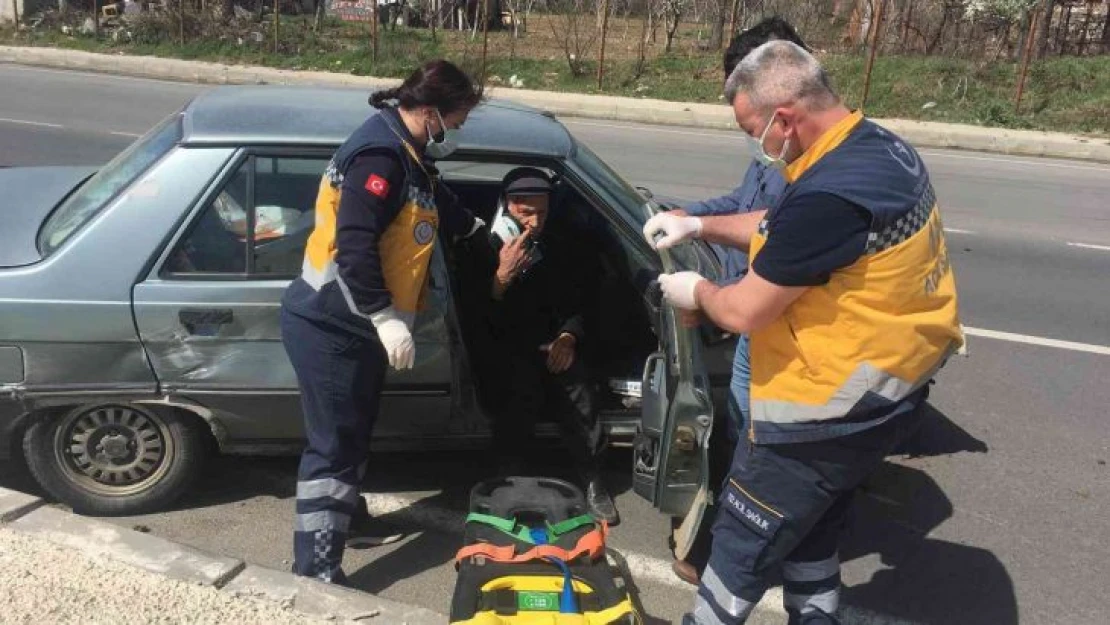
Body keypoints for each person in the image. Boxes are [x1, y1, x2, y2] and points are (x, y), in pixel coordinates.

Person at [643, 41, 963, 624]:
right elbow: (780, 228)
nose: (755, 144)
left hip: (818, 418)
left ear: (784, 118)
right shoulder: (877, 150)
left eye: (752, 129)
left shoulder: (829, 194)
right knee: (812, 538)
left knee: (739, 553)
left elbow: (744, 310)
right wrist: (698, 223)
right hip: (882, 402)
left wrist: (696, 293)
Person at [280, 60, 486, 584]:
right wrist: (384, 318)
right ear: (433, 112)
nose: (459, 129)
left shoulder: (408, 150)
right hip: (334, 325)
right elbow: (353, 246)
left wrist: (483, 230)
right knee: (332, 450)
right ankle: (317, 571)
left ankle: (347, 523)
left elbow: (434, 199)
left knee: (352, 434)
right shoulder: (382, 156)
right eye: (458, 118)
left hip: (355, 327)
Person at [671, 16, 810, 586]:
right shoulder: (772, 150)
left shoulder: (809, 164)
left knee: (756, 445)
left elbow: (772, 230)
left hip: (764, 318)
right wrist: (693, 217)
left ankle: (734, 558)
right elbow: (743, 200)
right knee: (737, 432)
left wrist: (706, 297)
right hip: (748, 319)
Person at [466, 167, 619, 525]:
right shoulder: (482, 244)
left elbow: (579, 303)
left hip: (553, 342)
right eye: (525, 213)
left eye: (542, 213)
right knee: (516, 396)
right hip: (505, 344)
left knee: (580, 393)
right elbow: (471, 313)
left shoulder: (563, 245)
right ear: (506, 208)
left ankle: (593, 479)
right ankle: (509, 479)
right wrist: (500, 279)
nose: (535, 222)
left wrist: (569, 337)